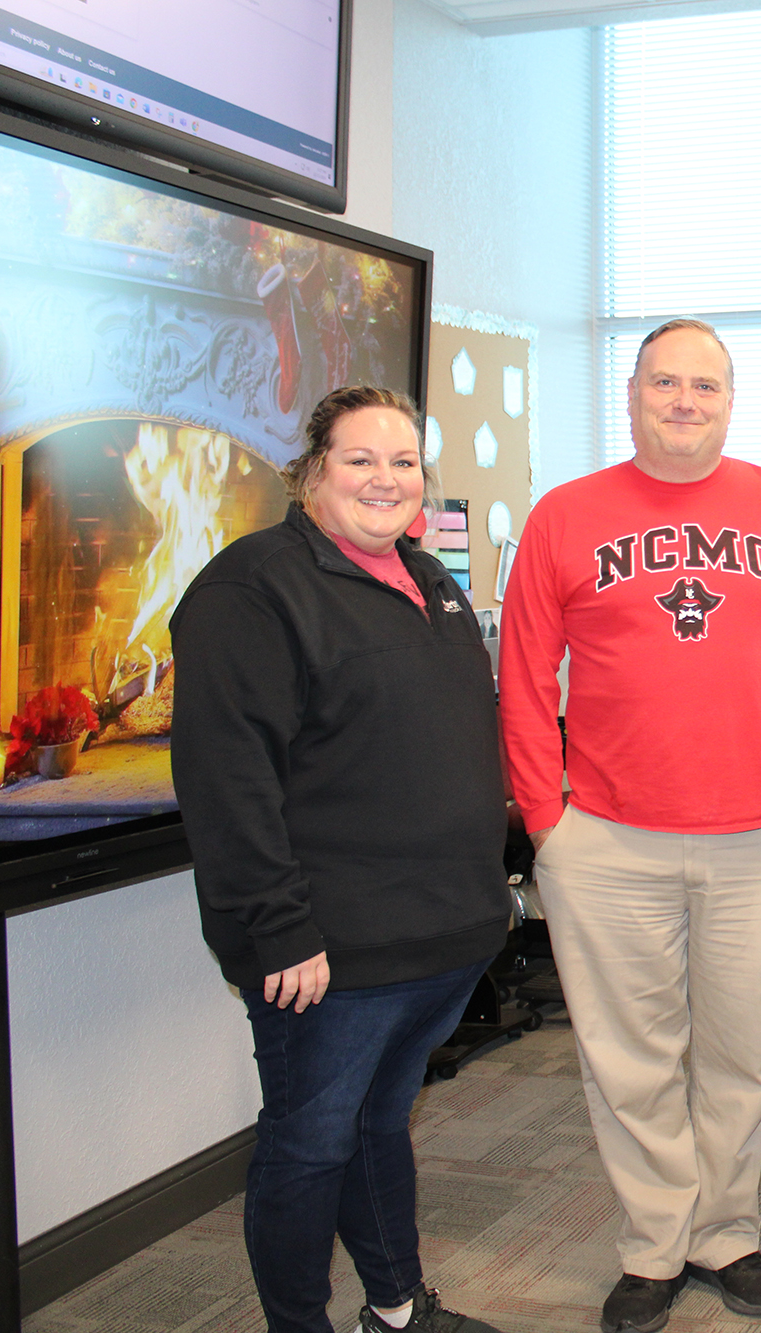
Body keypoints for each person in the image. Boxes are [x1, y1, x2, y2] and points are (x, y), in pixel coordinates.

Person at [498, 318, 761, 1333]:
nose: (683, 400)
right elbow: (524, 672)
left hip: (754, 831)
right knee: (630, 1053)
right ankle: (654, 1242)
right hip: (606, 837)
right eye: (664, 381)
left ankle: (726, 1231)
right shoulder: (564, 517)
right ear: (631, 393)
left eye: (703, 385)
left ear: (728, 399)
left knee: (737, 1047)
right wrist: (545, 816)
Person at [171, 386, 511, 1333]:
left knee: (378, 1125)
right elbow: (228, 780)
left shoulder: (429, 579)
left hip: (439, 936)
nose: (385, 478)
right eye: (360, 458)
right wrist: (277, 928)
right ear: (314, 469)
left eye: (403, 461)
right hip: (328, 954)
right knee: (309, 1147)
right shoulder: (253, 589)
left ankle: (397, 1310)